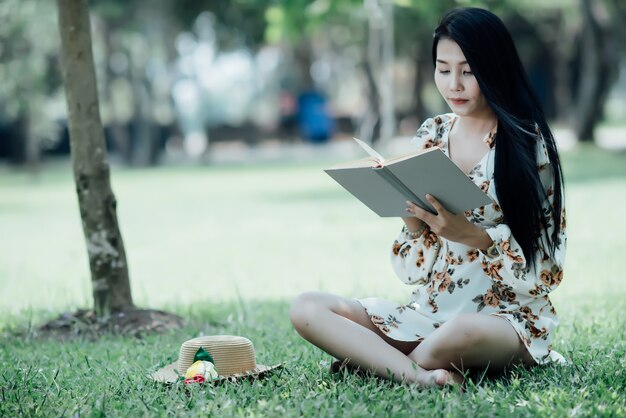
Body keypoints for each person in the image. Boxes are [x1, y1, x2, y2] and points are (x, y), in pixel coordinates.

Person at [289, 7, 567, 388]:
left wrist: (475, 236)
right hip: (427, 313)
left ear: (495, 67)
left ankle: (376, 364)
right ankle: (420, 377)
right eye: (443, 68)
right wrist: (411, 220)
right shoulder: (431, 133)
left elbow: (547, 272)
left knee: (461, 334)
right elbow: (413, 272)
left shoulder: (526, 146)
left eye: (468, 71)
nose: (454, 84)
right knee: (307, 307)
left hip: (504, 319)